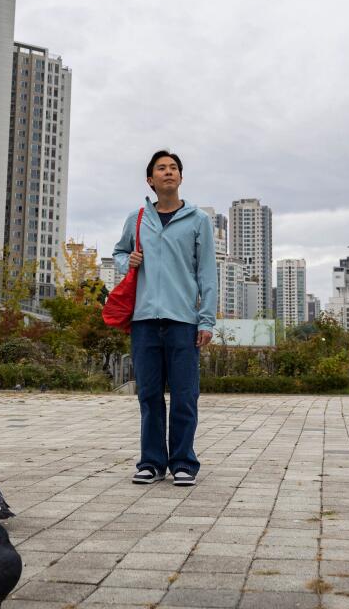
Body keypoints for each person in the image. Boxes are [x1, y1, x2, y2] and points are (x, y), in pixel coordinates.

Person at [113, 150, 217, 487]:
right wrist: (126, 261)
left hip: (183, 320)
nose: (168, 172)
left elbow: (207, 274)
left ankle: (184, 463)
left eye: (174, 168)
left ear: (181, 178)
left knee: (185, 396)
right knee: (149, 395)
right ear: (150, 179)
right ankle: (152, 462)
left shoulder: (198, 219)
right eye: (161, 168)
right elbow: (118, 252)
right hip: (144, 320)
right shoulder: (138, 217)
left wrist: (206, 321)